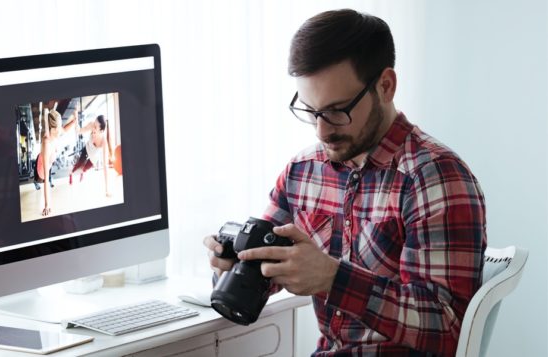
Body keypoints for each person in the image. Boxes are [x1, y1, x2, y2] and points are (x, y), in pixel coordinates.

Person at [204, 9, 486, 356]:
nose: (322, 131)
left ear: (385, 86)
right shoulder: (302, 172)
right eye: (311, 111)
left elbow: (448, 328)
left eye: (337, 111)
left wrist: (334, 279)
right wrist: (232, 266)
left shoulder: (434, 177)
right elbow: (264, 270)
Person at [36, 101, 80, 216]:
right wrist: (47, 205)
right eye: (56, 129)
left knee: (53, 152)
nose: (59, 131)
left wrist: (75, 120)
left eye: (59, 127)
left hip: (49, 157)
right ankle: (36, 182)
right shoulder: (47, 142)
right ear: (51, 128)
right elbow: (45, 177)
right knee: (43, 177)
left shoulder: (57, 130)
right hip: (40, 169)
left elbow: (64, 130)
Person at [68, 114, 113, 198]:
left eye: (95, 127)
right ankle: (71, 173)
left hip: (94, 158)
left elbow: (105, 166)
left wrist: (107, 190)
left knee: (84, 169)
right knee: (78, 165)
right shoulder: (91, 125)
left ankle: (82, 172)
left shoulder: (104, 142)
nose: (93, 128)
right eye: (94, 124)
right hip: (87, 149)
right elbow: (78, 131)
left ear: (101, 131)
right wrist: (76, 119)